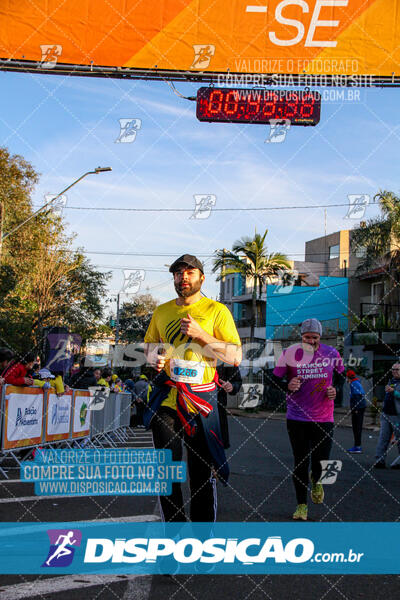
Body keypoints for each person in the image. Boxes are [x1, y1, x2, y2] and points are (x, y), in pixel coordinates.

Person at [144, 254, 241, 522]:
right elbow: (150, 346)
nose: (183, 277)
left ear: (201, 278)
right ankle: (173, 533)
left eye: (189, 272)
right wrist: (155, 357)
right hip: (168, 400)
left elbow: (234, 356)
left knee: (200, 475)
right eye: (178, 273)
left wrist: (201, 335)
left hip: (201, 403)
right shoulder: (161, 311)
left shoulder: (216, 310)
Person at [273, 318, 344, 521]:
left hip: (324, 417)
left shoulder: (331, 353)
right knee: (301, 462)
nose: (310, 341)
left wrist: (335, 390)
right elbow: (273, 378)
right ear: (301, 336)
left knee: (322, 461)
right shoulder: (290, 354)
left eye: (314, 337)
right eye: (307, 337)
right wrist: (288, 383)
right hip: (297, 417)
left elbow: (341, 377)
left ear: (320, 337)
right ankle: (301, 506)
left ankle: (317, 479)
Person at [374, 362, 400, 469]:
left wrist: (394, 392)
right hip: (386, 414)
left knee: (398, 439)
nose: (394, 371)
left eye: (397, 369)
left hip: (397, 416)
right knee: (383, 438)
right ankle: (380, 460)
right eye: (393, 369)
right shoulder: (391, 381)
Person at [216, 363, 242, 449]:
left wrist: (232, 386)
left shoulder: (226, 356)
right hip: (193, 408)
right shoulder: (192, 352)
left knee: (217, 450)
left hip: (218, 408)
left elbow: (237, 381)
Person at [346, 370, 366, 453]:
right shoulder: (356, 382)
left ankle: (357, 447)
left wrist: (356, 409)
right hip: (360, 407)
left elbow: (357, 396)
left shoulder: (354, 384)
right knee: (357, 427)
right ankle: (357, 446)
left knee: (356, 427)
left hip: (358, 408)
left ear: (348, 377)